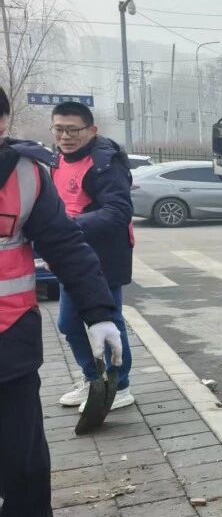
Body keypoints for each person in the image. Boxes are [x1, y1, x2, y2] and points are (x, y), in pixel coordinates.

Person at [0, 87, 123, 517]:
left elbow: (66, 246)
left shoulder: (25, 176)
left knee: (19, 446)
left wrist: (99, 315)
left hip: (8, 335)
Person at [45, 101, 135, 412]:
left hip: (105, 255)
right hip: (71, 252)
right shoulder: (57, 159)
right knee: (69, 323)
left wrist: (67, 226)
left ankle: (119, 386)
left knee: (107, 319)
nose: (65, 136)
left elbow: (119, 211)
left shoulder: (105, 164)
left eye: (73, 130)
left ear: (92, 130)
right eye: (59, 129)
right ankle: (93, 379)